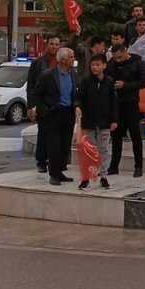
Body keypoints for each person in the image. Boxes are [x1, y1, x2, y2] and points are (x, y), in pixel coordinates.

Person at [34, 47, 78, 186]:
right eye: (71, 57)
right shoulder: (48, 75)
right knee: (54, 145)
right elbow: (36, 94)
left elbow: (76, 93)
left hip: (68, 113)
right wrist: (44, 110)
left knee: (65, 145)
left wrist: (77, 105)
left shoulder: (73, 74)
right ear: (63, 60)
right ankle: (53, 174)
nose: (73, 59)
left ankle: (60, 171)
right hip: (53, 114)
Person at [74, 54, 118, 190]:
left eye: (98, 64)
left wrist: (114, 119)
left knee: (103, 149)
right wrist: (77, 106)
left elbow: (114, 102)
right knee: (88, 150)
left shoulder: (110, 82)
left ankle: (103, 176)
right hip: (89, 121)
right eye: (93, 64)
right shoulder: (86, 82)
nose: (95, 67)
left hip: (104, 122)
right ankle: (86, 178)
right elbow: (79, 97)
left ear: (104, 66)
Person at [106, 44, 145, 177]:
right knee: (116, 136)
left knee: (135, 135)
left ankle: (138, 166)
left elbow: (143, 82)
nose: (117, 60)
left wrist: (126, 85)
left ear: (125, 52)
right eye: (115, 58)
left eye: (120, 57)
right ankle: (114, 166)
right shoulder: (112, 63)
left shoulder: (138, 63)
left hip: (130, 101)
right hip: (116, 103)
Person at [27, 35, 62, 174]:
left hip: (59, 105)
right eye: (52, 44)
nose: (54, 46)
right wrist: (31, 106)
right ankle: (41, 162)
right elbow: (31, 86)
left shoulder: (62, 62)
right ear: (47, 45)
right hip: (43, 104)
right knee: (43, 134)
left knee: (57, 136)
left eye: (56, 44)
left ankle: (56, 162)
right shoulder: (38, 63)